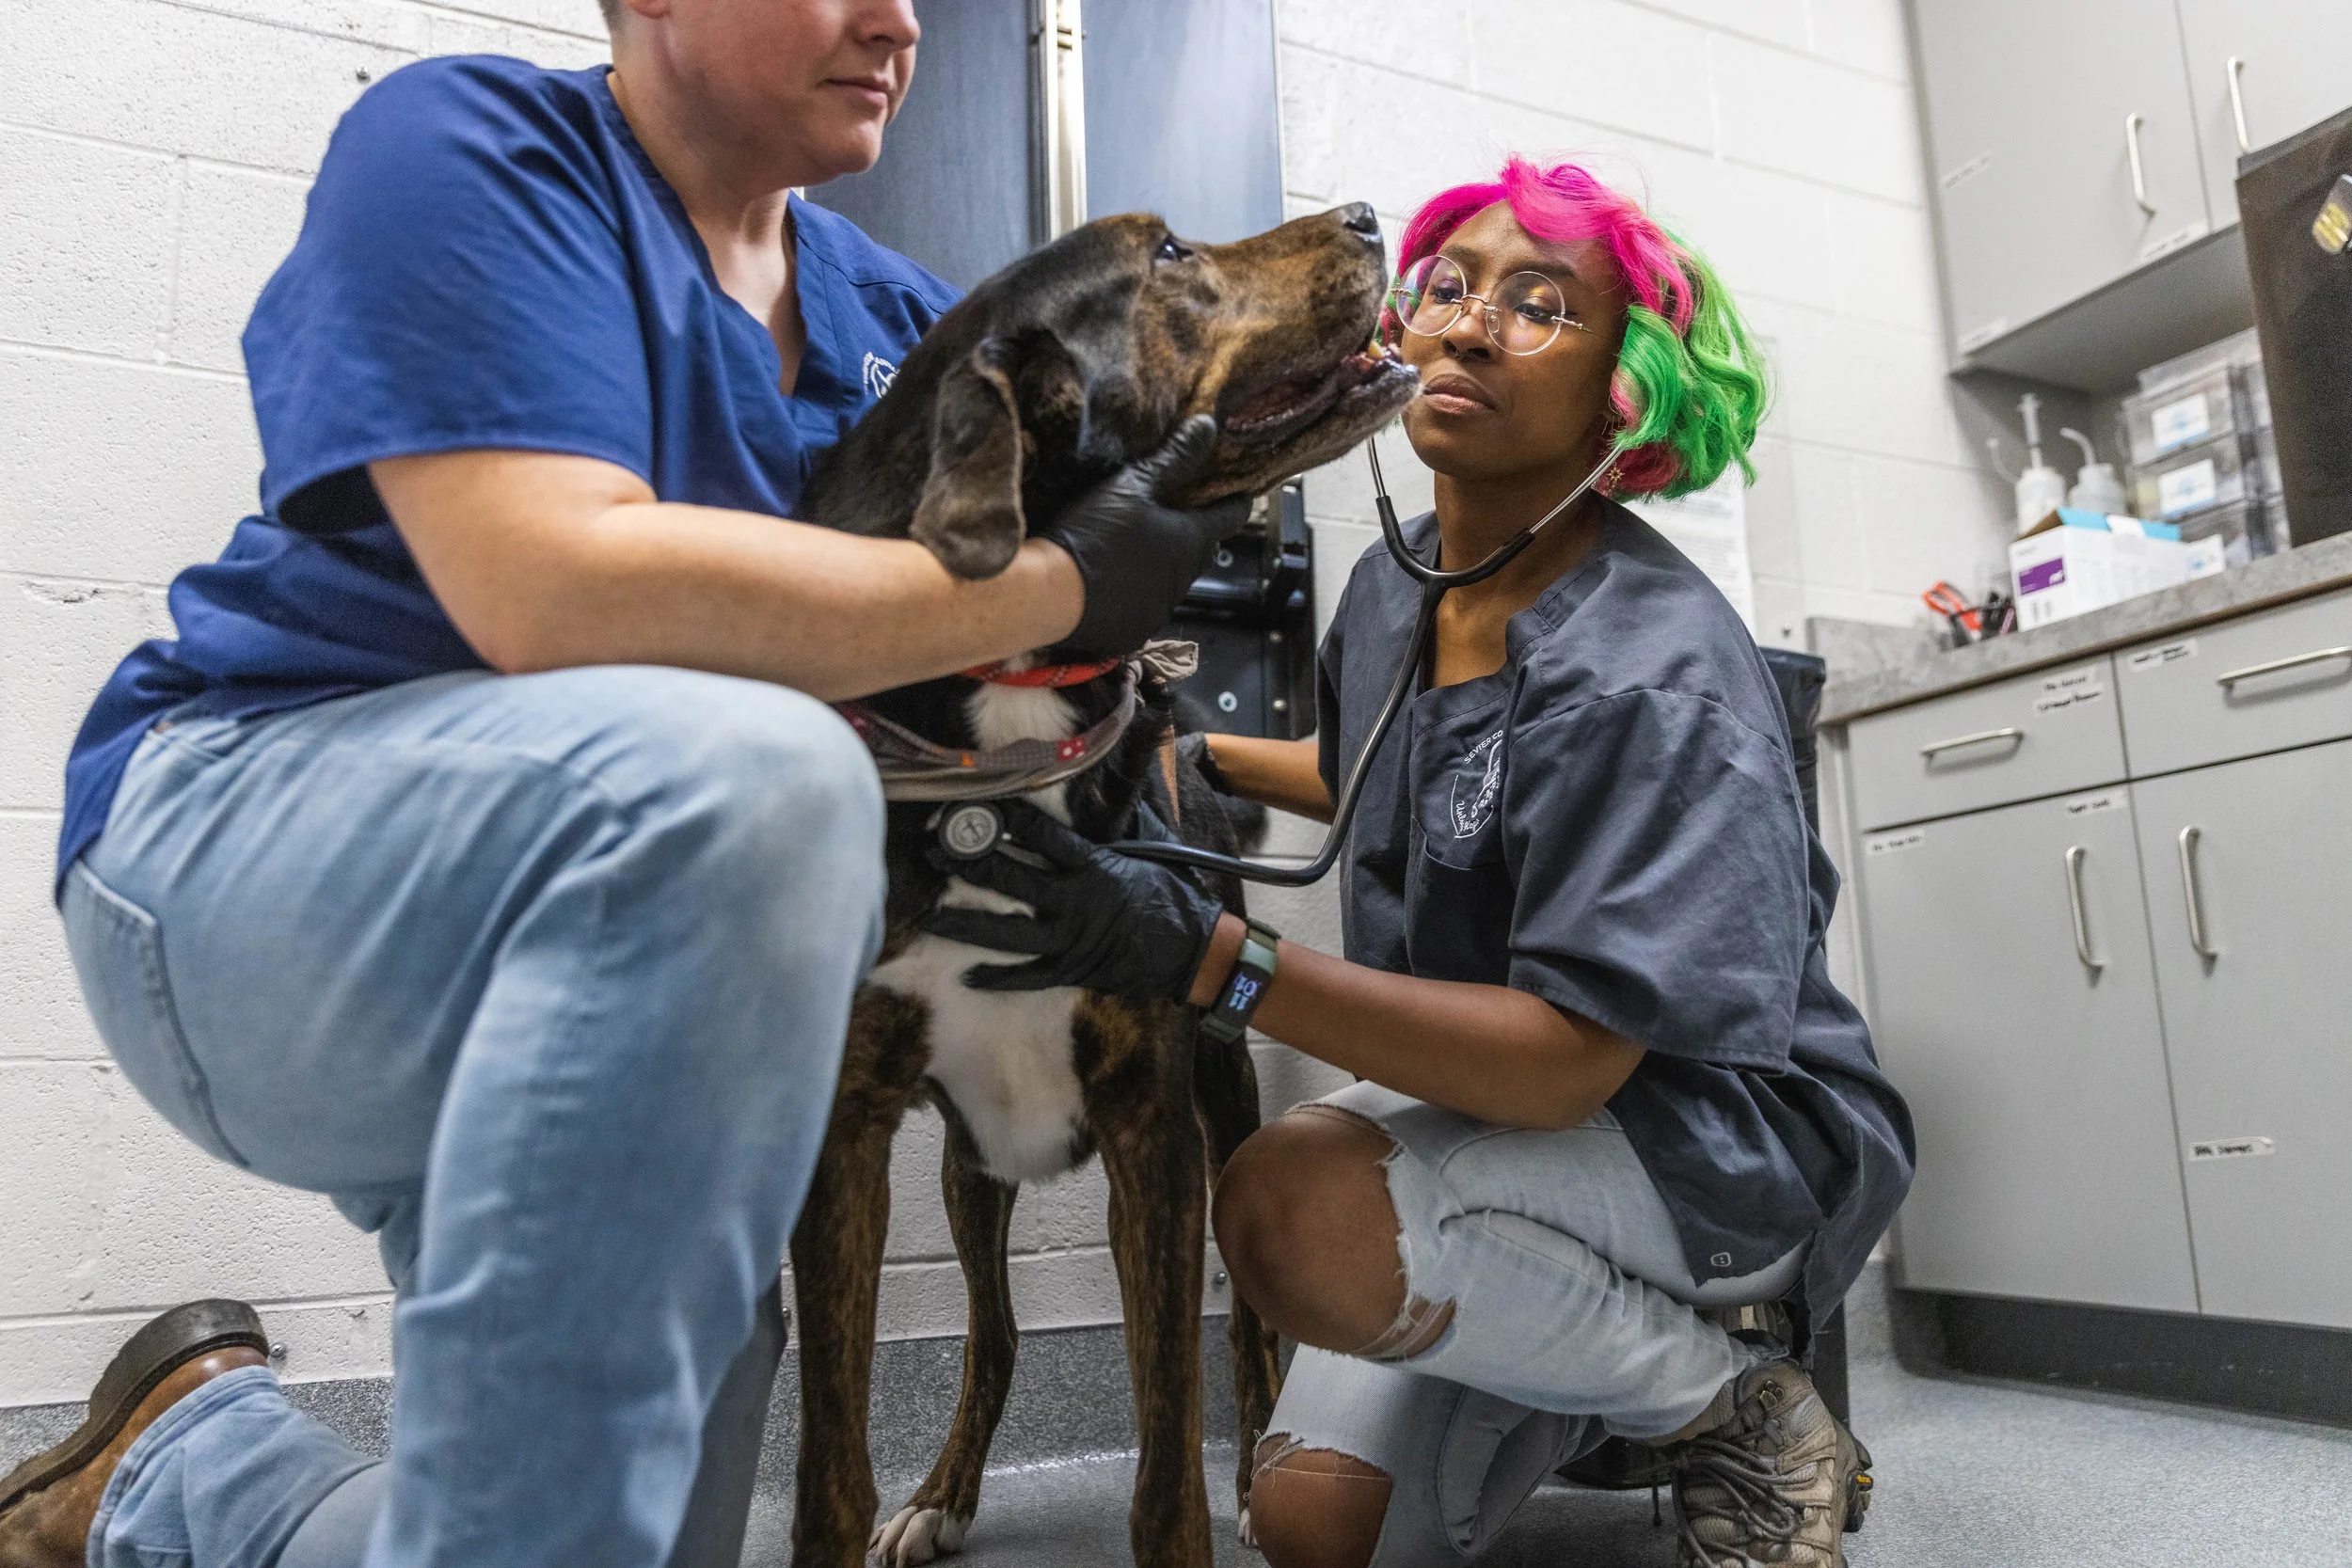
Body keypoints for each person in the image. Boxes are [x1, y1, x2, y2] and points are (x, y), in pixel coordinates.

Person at [0, 4, 1248, 1567]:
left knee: (610, 1525)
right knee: (755, 770)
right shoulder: (479, 152)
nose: (902, 17)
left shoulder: (895, 317)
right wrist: (1056, 591)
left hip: (632, 968)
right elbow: (554, 591)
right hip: (251, 866)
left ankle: (186, 1458)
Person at [926, 158, 1915, 1568]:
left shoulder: (1650, 671)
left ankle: (1727, 1402)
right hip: (1514, 1119)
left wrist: (1212, 954)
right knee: (1317, 1529)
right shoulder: (1400, 583)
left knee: (1285, 1202)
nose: (1465, 324)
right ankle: (1605, 1380)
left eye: (1539, 307)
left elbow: (1567, 1061)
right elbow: (1389, 763)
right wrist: (1199, 760)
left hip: (1712, 1142)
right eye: (1447, 287)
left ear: (1626, 393)